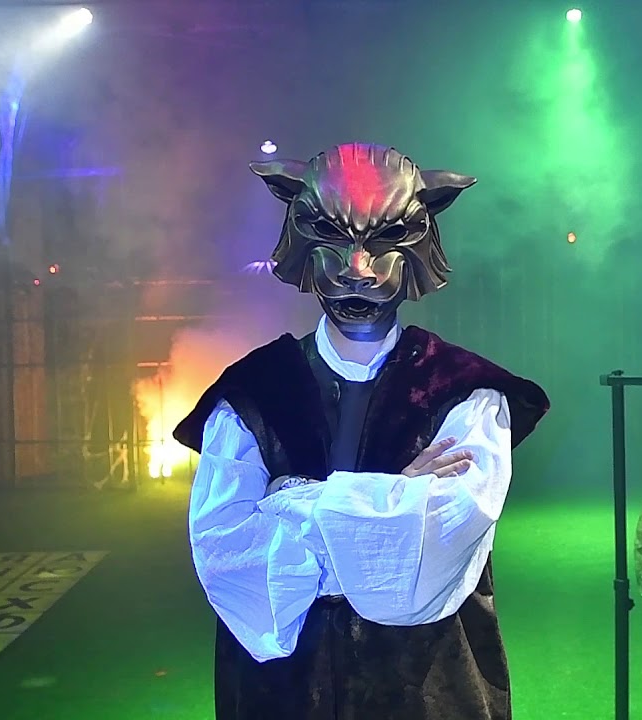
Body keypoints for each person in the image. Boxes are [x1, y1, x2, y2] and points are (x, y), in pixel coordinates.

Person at [174, 143, 550, 720]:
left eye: (384, 242)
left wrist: (288, 498)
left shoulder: (466, 392)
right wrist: (394, 497)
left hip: (428, 688)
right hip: (284, 694)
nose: (358, 270)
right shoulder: (252, 393)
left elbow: (440, 543)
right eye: (334, 240)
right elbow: (228, 553)